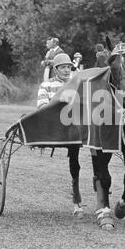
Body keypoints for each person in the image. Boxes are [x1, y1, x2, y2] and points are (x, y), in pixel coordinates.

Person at [37, 53, 83, 218]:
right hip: (54, 126)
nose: (66, 70)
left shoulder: (77, 84)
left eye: (68, 67)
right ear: (56, 69)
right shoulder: (46, 85)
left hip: (75, 127)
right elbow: (42, 107)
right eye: (63, 67)